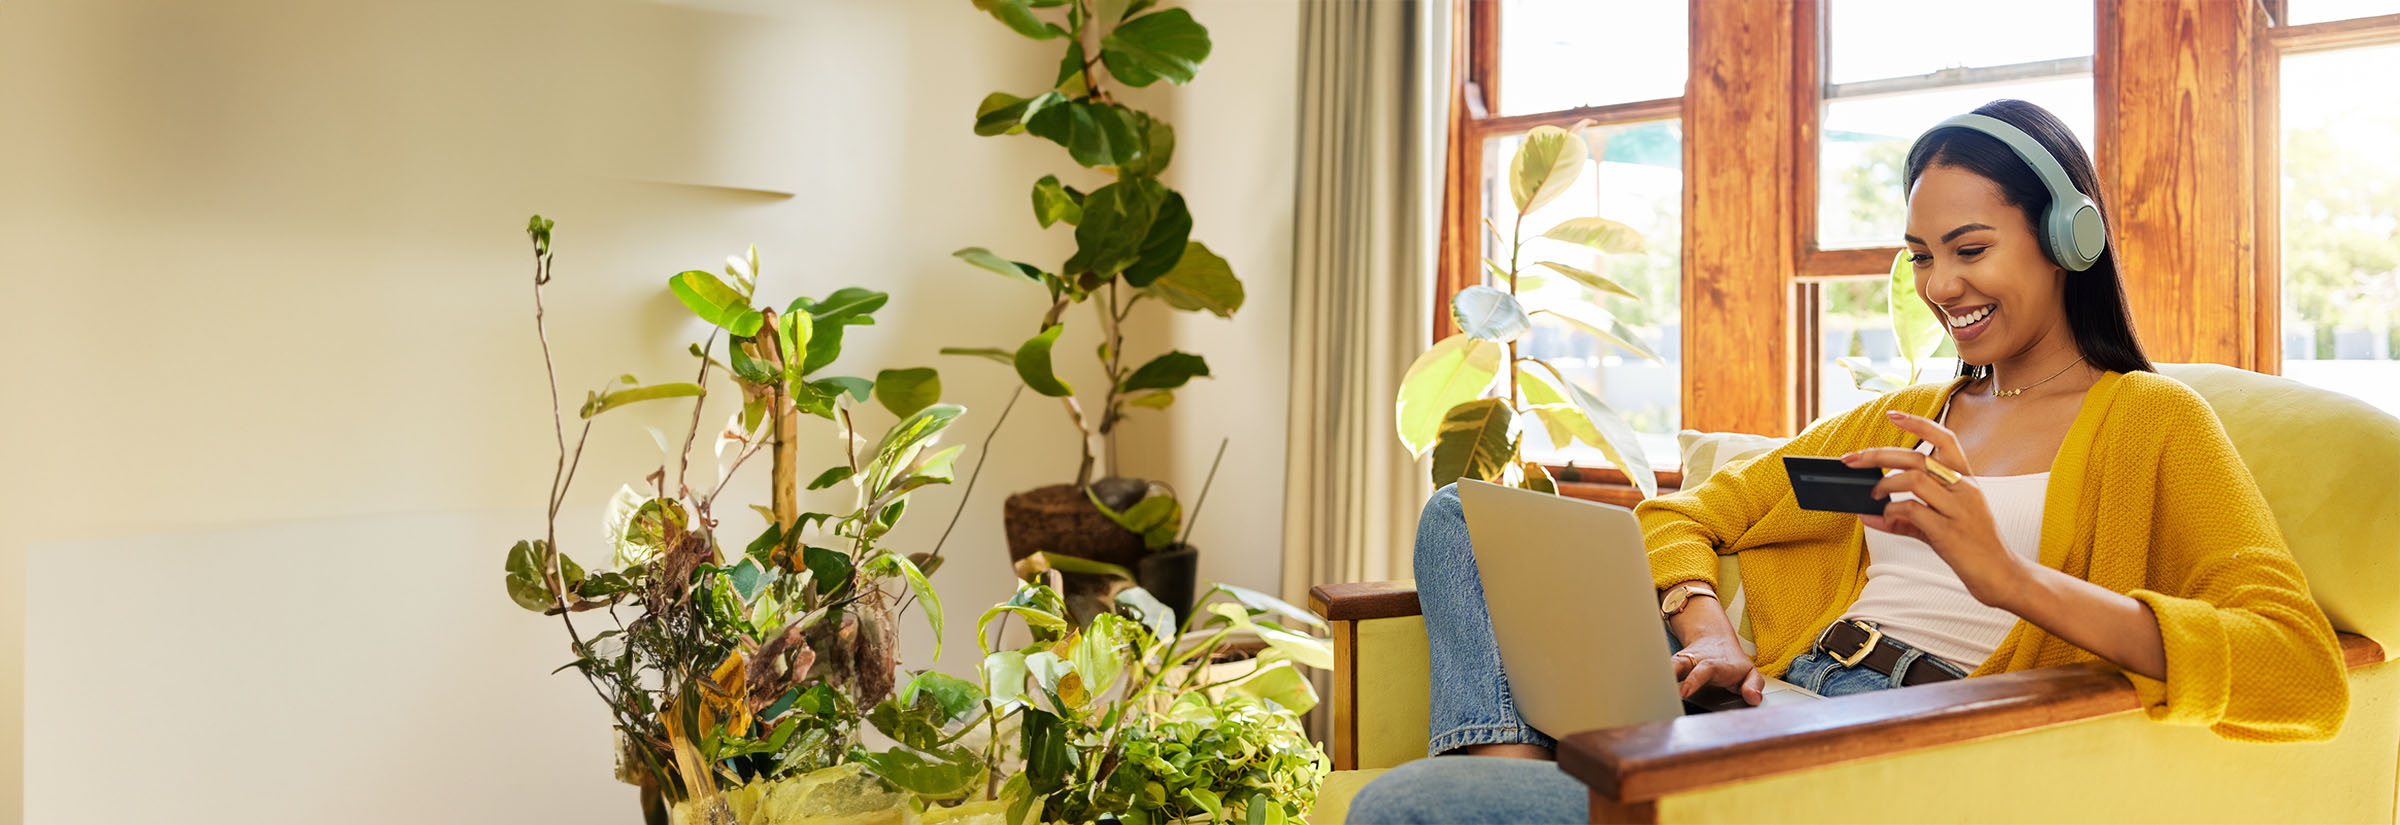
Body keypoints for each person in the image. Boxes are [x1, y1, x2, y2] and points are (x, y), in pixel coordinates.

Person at [1345, 99, 2351, 825]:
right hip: (1760, 706)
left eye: (1969, 248)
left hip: (1876, 747)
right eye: (1920, 255)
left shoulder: (2151, 419)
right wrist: (1709, 629)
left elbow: (2301, 672)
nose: (1939, 284)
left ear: (2065, 240)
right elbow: (1684, 515)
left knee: (1409, 806)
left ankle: (1507, 784)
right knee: (1460, 518)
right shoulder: (1910, 414)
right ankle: (1514, 759)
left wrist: (2005, 577)